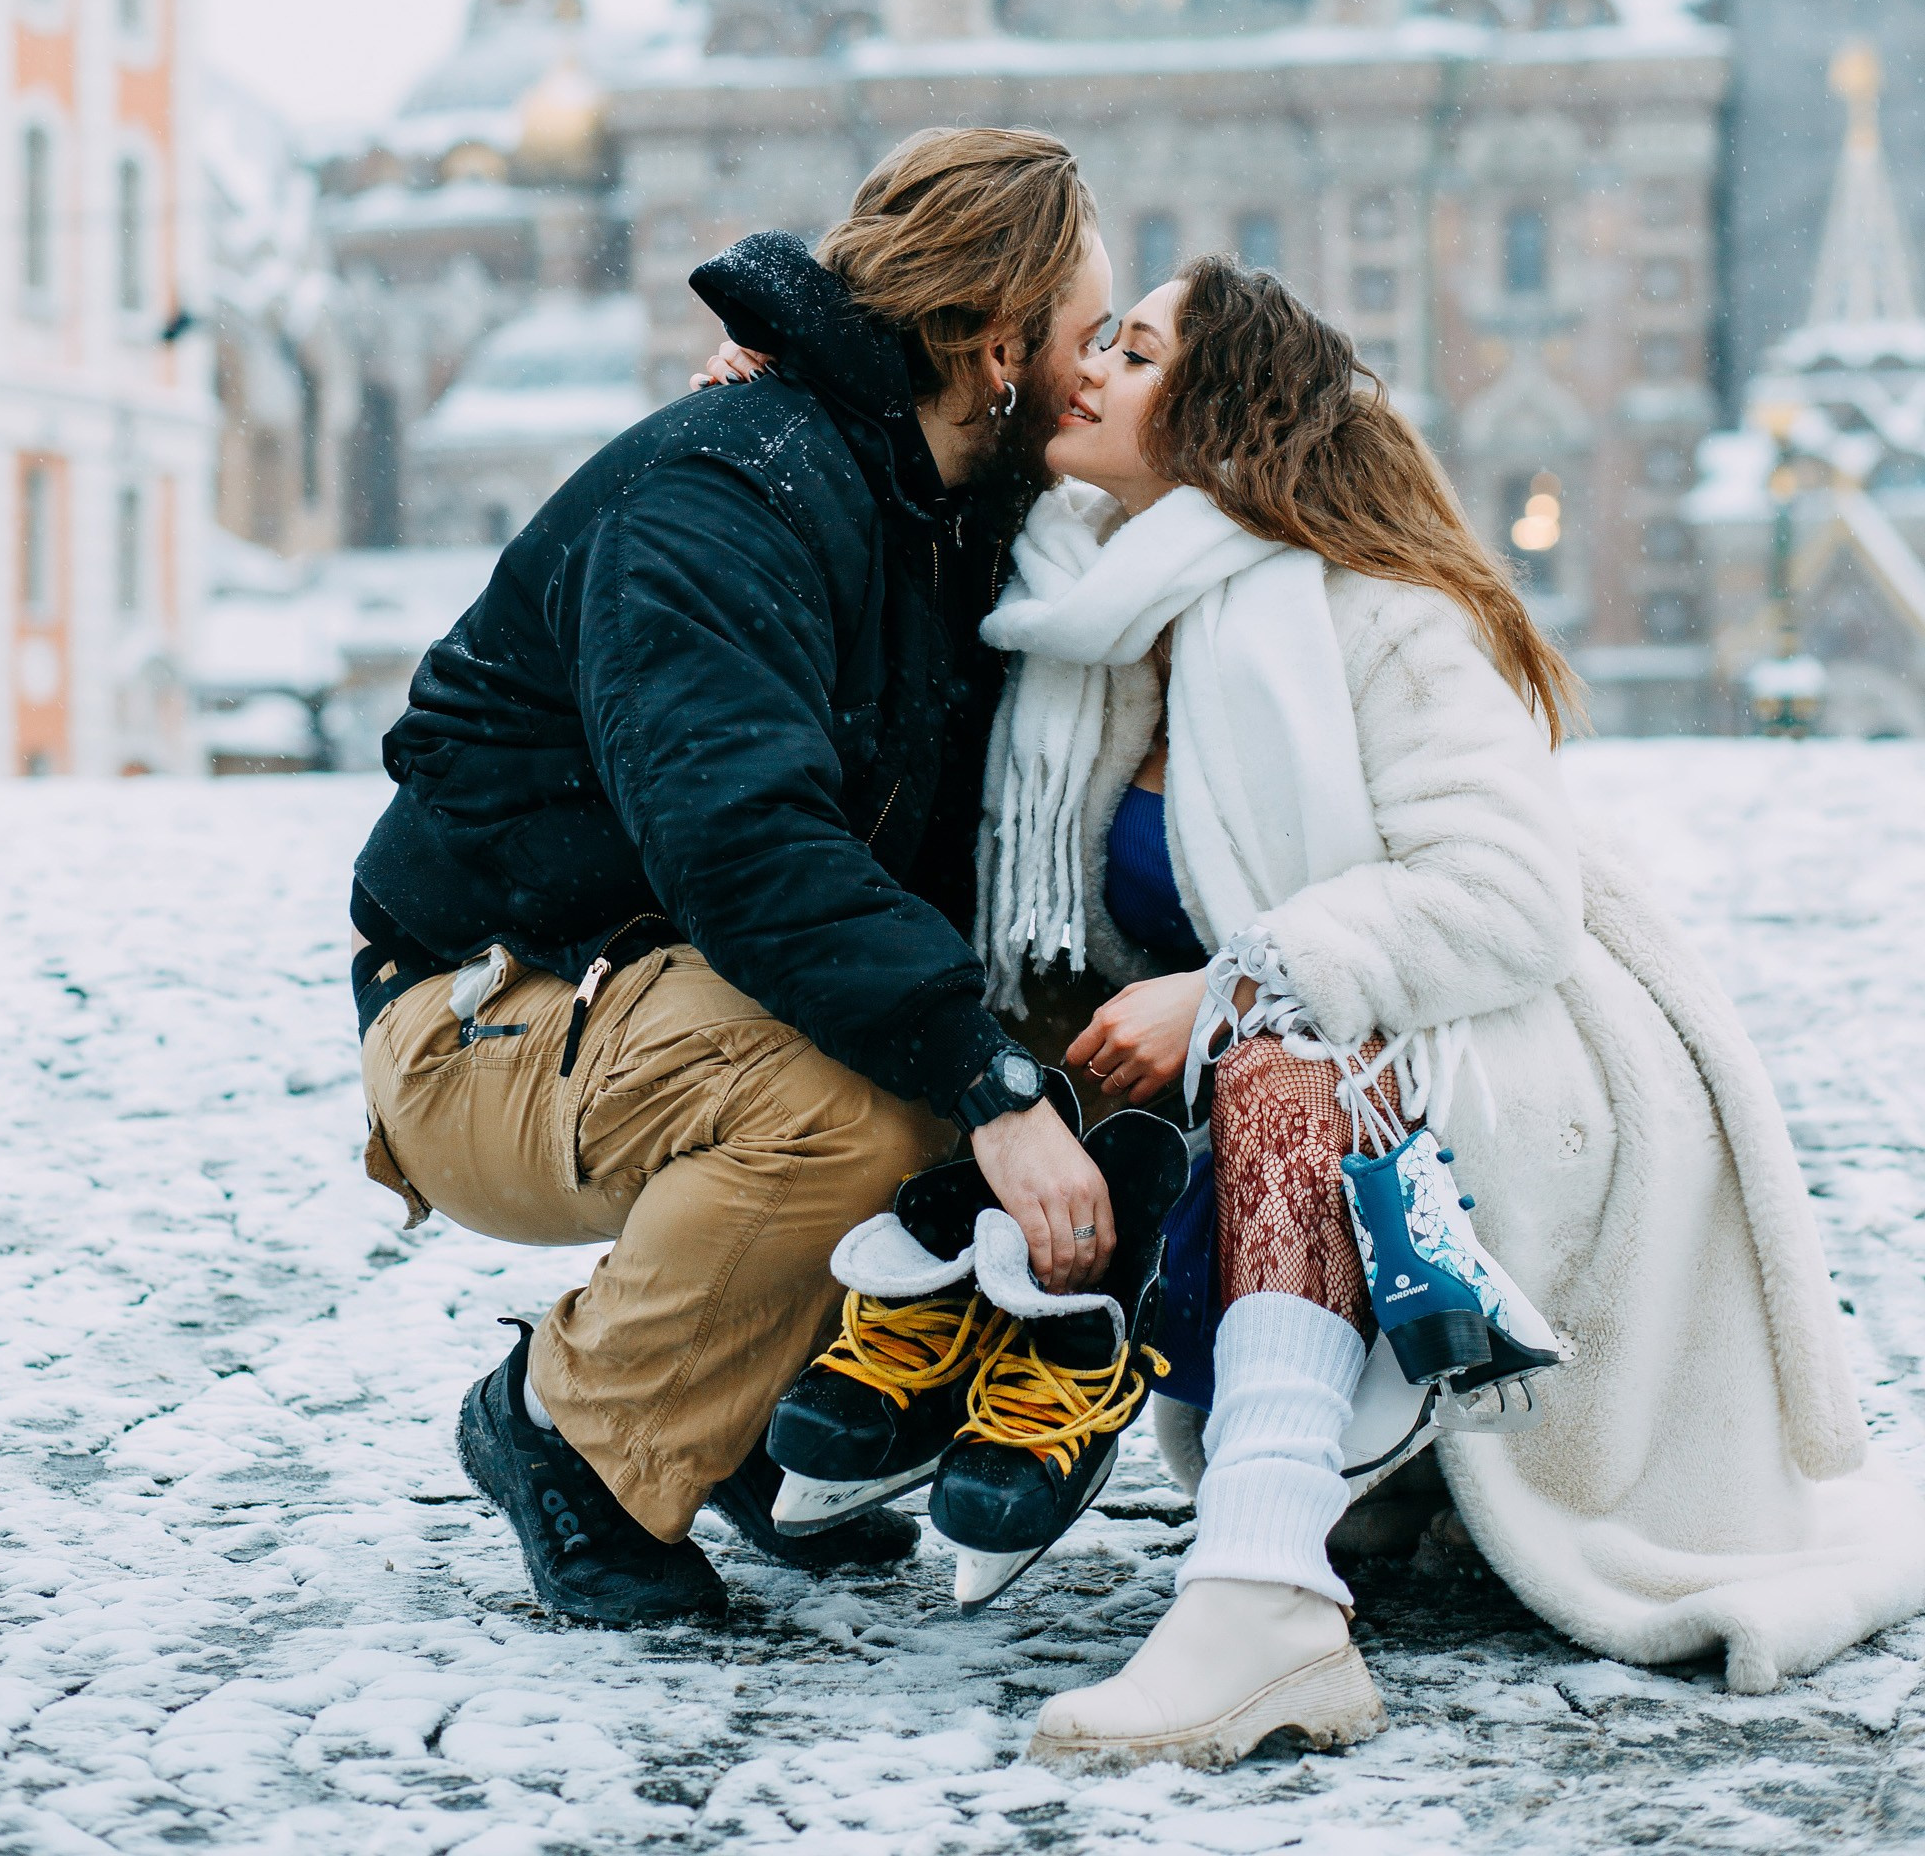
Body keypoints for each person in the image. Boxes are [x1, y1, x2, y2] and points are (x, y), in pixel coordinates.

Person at [960, 255, 1925, 1766]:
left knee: (1281, 1055)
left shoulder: (1371, 606)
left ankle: (1267, 1598)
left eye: (1134, 354)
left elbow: (1502, 895)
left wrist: (1228, 984)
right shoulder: (1073, 613)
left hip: (1507, 1047)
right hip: (1321, 1048)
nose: (1088, 371)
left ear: (1219, 410)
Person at [349, 127, 1119, 1629]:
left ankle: (756, 1412)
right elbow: (745, 843)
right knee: (872, 1099)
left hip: (664, 993)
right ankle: (572, 1433)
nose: (1098, 377)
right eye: (1090, 338)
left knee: (973, 1041)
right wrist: (992, 1092)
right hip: (488, 1009)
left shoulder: (935, 505)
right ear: (992, 341)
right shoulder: (730, 490)